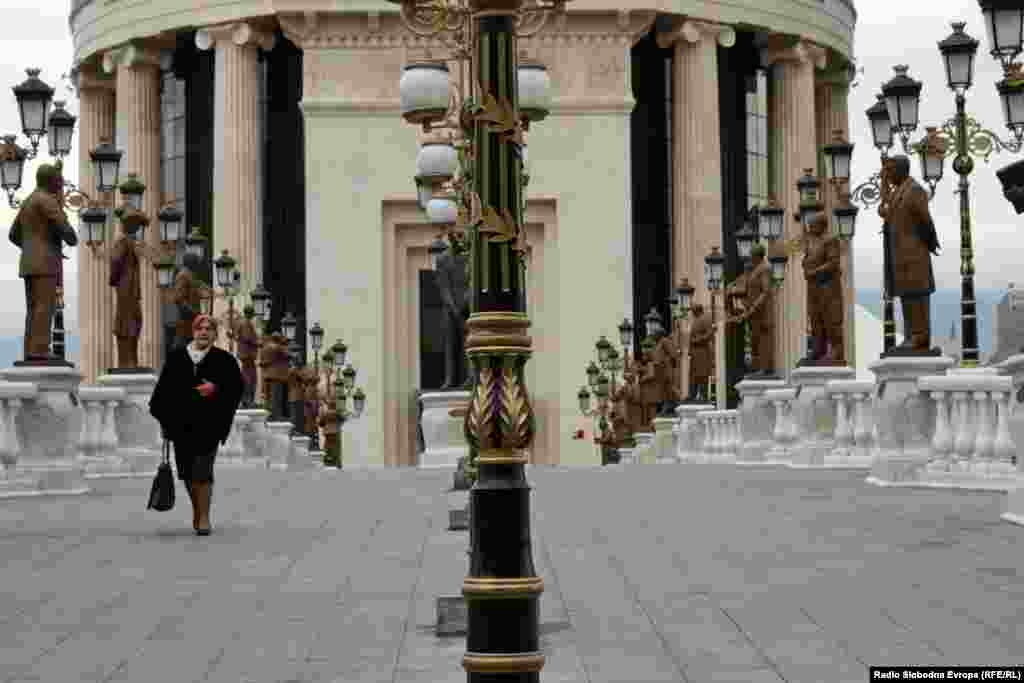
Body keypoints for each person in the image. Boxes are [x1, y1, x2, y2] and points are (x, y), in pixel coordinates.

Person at [149, 315, 244, 535]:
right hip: (181, 428)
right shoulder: (177, 358)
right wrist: (166, 421)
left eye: (209, 329)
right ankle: (197, 509)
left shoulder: (224, 360)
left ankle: (203, 518)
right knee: (187, 473)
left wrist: (216, 389)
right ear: (193, 332)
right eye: (199, 328)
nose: (203, 332)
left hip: (209, 426)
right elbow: (161, 395)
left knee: (203, 470)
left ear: (214, 334)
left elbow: (237, 389)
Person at [8, 164, 78, 362]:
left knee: (32, 308)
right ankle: (39, 351)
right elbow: (64, 227)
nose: (60, 182)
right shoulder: (46, 200)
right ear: (50, 180)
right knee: (44, 306)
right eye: (58, 179)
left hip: (29, 262)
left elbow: (13, 234)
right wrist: (70, 237)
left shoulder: (29, 200)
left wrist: (30, 248)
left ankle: (30, 350)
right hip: (45, 262)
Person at [879, 155, 940, 353]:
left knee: (917, 296)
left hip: (914, 254)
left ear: (901, 170)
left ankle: (920, 337)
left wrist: (930, 243)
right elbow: (885, 209)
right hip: (901, 256)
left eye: (890, 171)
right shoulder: (899, 192)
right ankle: (910, 336)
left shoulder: (914, 191)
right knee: (907, 296)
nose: (888, 175)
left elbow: (925, 220)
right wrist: (883, 182)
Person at [802, 211, 844, 363]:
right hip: (813, 288)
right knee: (815, 318)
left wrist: (814, 271)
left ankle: (836, 350)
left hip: (828, 287)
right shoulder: (811, 243)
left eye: (812, 226)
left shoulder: (830, 240)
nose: (810, 229)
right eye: (810, 226)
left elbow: (833, 263)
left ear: (821, 225)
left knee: (830, 318)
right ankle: (818, 349)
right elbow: (806, 261)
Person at [728, 243, 775, 377]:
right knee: (756, 341)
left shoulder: (764, 268)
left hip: (762, 313)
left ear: (757, 256)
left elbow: (765, 292)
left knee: (763, 340)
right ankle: (758, 367)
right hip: (754, 315)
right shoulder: (754, 270)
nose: (750, 258)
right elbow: (749, 290)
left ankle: (765, 368)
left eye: (751, 256)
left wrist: (753, 307)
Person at [110, 206, 148, 368]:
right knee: (127, 323)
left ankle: (131, 359)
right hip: (126, 288)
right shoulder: (123, 242)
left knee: (135, 321)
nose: (139, 229)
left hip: (131, 289)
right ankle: (126, 361)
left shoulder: (129, 242)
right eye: (137, 225)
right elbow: (115, 260)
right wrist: (115, 278)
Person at [435, 244, 470, 389]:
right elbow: (443, 286)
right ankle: (449, 378)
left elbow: (472, 282)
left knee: (469, 343)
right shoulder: (442, 258)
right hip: (449, 308)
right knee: (450, 344)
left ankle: (470, 377)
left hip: (468, 307)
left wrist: (464, 303)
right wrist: (453, 307)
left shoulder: (471, 256)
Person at [172, 252, 203, 350]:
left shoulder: (190, 275)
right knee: (183, 345)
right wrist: (193, 312)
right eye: (196, 261)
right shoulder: (183, 275)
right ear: (191, 262)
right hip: (186, 320)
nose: (198, 264)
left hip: (191, 320)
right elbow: (178, 298)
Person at [687, 303, 713, 400]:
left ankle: (703, 394)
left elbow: (709, 333)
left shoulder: (705, 319)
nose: (691, 312)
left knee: (702, 374)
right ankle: (692, 394)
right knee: (693, 375)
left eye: (692, 310)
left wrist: (697, 340)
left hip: (702, 352)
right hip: (694, 353)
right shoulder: (695, 321)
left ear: (697, 310)